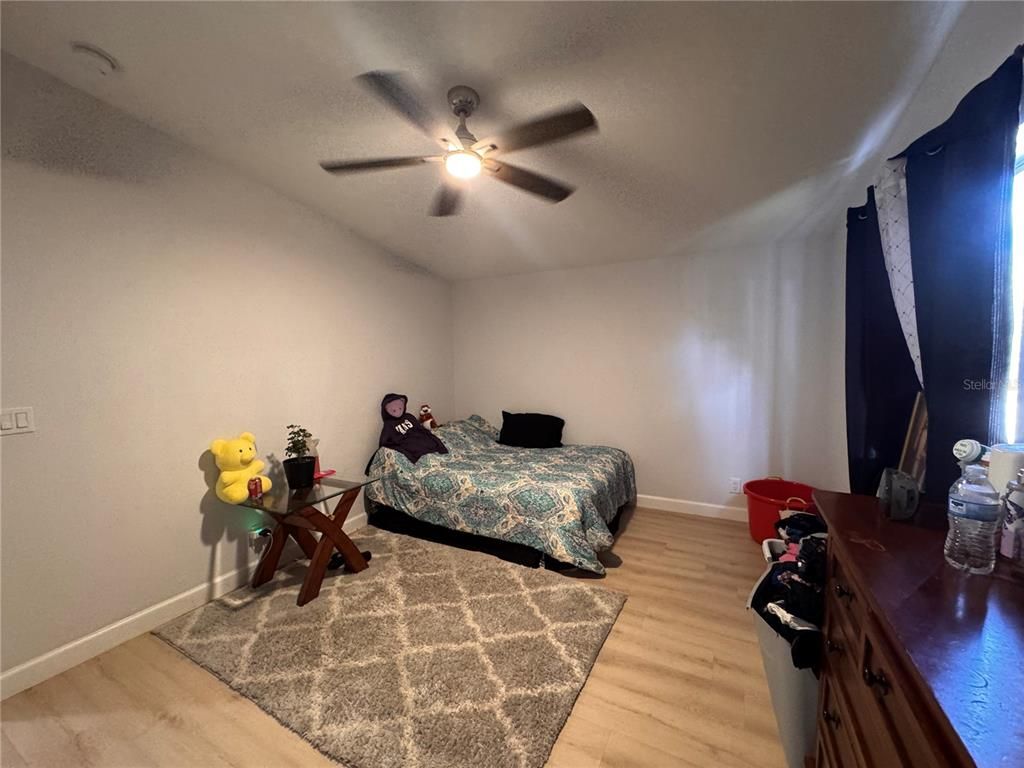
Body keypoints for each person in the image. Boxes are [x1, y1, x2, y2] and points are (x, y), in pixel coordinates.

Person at [364, 393, 448, 474]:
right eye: (394, 410)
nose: (398, 412)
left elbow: (419, 428)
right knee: (415, 447)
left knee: (429, 440)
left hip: (418, 437)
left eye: (400, 408)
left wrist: (430, 436)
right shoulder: (389, 424)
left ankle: (433, 452)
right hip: (407, 442)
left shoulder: (409, 416)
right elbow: (384, 441)